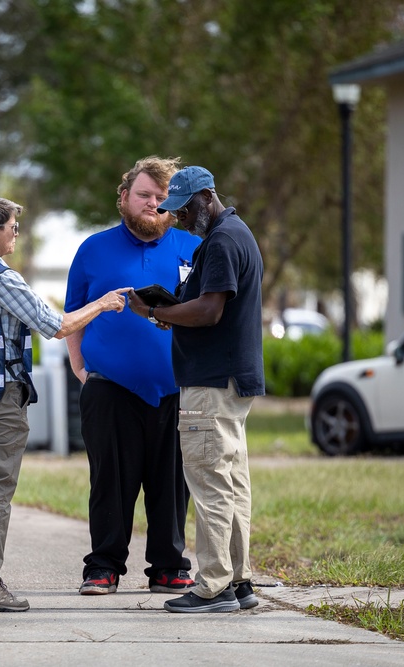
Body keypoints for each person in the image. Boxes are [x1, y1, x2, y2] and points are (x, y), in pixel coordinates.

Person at [0, 193, 129, 612]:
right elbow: (55, 326)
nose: (15, 234)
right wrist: (104, 302)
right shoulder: (3, 278)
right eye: (12, 227)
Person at [126, 166, 265, 613]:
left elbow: (208, 311)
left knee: (209, 485)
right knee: (231, 482)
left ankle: (214, 585)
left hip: (210, 383)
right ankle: (240, 582)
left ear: (206, 197)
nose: (180, 219)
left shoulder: (222, 241)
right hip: (231, 381)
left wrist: (153, 312)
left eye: (184, 209)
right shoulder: (237, 233)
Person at [65, 156, 201, 596]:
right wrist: (78, 365)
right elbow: (73, 315)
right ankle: (102, 567)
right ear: (124, 198)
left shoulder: (191, 247)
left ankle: (168, 567)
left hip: (175, 388)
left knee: (172, 484)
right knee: (110, 481)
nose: (153, 205)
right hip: (110, 388)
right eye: (145, 195)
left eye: (162, 199)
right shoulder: (93, 249)